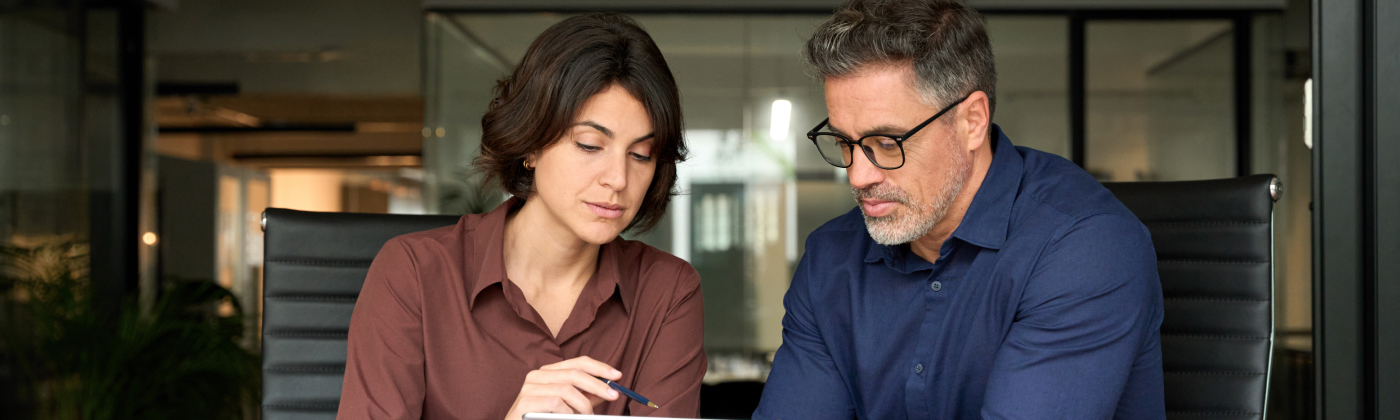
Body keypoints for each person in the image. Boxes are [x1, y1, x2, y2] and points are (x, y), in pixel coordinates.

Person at [753, 1, 1165, 419]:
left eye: (888, 143)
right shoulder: (831, 257)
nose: (858, 176)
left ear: (972, 121)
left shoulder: (1085, 246)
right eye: (845, 143)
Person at [337, 13, 705, 420]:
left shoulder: (667, 291)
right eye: (589, 145)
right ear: (530, 144)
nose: (618, 179)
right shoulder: (414, 273)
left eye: (640, 155)